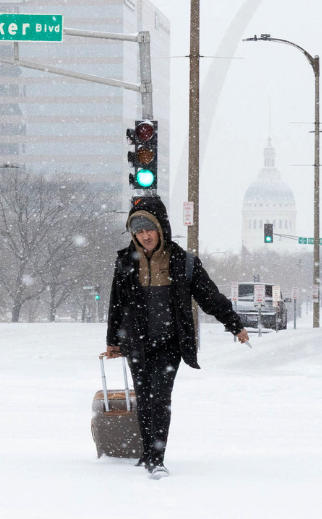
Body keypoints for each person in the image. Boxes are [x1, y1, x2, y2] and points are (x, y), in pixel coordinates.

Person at [103, 197, 249, 479]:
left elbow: (210, 297)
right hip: (137, 342)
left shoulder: (183, 262)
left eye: (150, 229)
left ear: (161, 228)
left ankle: (156, 458)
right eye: (138, 230)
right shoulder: (125, 261)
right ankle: (147, 453)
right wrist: (113, 341)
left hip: (170, 343)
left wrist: (234, 324)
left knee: (160, 398)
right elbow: (116, 304)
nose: (144, 236)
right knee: (144, 399)